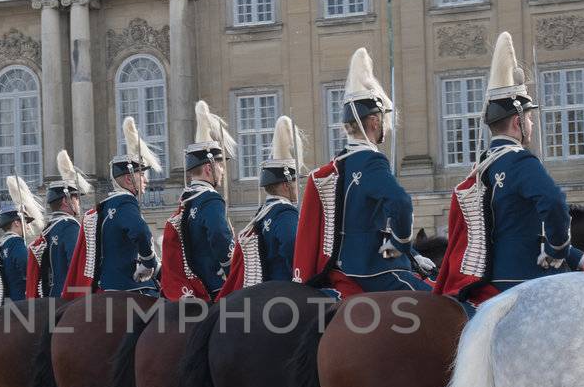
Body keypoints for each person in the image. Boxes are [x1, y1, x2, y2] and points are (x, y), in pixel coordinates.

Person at [437, 31, 580, 304]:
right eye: (530, 119)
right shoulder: (519, 161)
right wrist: (558, 249)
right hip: (527, 281)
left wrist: (577, 255)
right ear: (517, 123)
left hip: (487, 282)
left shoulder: (481, 168)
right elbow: (553, 203)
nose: (532, 125)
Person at [292, 47, 433, 294]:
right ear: (376, 122)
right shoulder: (370, 160)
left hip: (341, 266)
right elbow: (400, 202)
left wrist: (412, 254)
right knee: (452, 308)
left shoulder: (339, 164)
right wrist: (400, 246)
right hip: (374, 269)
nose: (385, 130)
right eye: (384, 123)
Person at [63, 117, 160, 296]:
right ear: (129, 179)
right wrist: (148, 263)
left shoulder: (107, 207)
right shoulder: (125, 202)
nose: (146, 180)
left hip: (106, 285)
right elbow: (140, 232)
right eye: (141, 175)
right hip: (128, 285)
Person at [161, 101, 235, 301]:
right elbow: (219, 236)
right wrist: (233, 270)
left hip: (193, 284)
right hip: (214, 287)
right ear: (209, 169)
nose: (222, 171)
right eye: (220, 166)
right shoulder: (210, 199)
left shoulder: (186, 202)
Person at [221, 116, 303, 295]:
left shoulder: (263, 213)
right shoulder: (285, 212)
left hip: (265, 289)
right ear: (285, 184)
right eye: (295, 181)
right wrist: (304, 278)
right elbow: (292, 247)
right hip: (286, 290)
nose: (298, 186)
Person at [27, 151, 88, 298]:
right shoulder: (69, 226)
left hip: (51, 296)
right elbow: (77, 263)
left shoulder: (49, 228)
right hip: (68, 298)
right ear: (66, 201)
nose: (78, 203)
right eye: (76, 198)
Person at [0, 176, 40, 306]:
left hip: (7, 302)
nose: (27, 226)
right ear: (17, 223)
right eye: (25, 221)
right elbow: (28, 268)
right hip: (22, 303)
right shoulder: (16, 243)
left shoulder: (1, 245)